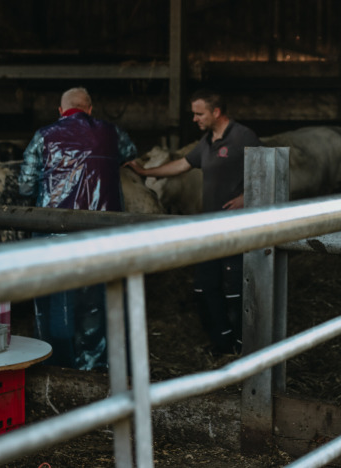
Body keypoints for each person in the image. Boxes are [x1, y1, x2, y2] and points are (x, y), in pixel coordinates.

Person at [125, 89, 260, 356]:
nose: (195, 119)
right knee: (204, 287)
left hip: (236, 228)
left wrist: (247, 196)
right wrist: (145, 172)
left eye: (199, 114)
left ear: (216, 112)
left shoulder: (243, 137)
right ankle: (221, 344)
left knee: (235, 291)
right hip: (209, 227)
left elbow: (268, 169)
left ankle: (245, 348)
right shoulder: (207, 141)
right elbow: (181, 165)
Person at [19, 86, 137, 370]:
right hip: (103, 232)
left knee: (55, 300)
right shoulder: (112, 132)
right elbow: (129, 154)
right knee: (98, 298)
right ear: (90, 109)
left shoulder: (43, 136)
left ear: (61, 112)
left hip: (53, 233)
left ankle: (56, 362)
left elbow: (25, 184)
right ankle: (96, 365)